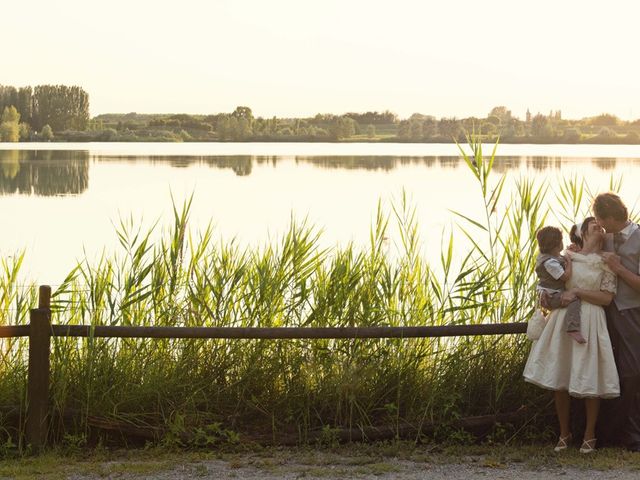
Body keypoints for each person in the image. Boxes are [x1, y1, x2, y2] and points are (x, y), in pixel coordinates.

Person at [523, 217, 620, 453]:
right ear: (583, 234)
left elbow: (607, 298)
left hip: (592, 319)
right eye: (594, 225)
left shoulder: (606, 262)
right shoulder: (568, 257)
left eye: (601, 225)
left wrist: (577, 291)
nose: (599, 227)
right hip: (564, 318)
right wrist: (546, 297)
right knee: (560, 376)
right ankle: (564, 433)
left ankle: (589, 435)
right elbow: (552, 283)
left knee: (591, 376)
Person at [593, 192, 640, 451]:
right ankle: (605, 433)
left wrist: (619, 268)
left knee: (633, 374)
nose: (600, 224)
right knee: (605, 371)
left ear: (611, 217)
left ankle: (632, 435)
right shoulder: (605, 236)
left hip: (633, 313)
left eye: (601, 220)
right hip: (604, 313)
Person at [535, 225, 585, 343]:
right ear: (557, 244)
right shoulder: (550, 262)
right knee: (574, 299)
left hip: (552, 293)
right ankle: (572, 327)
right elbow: (565, 277)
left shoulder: (553, 257)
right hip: (552, 296)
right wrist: (569, 262)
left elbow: (561, 258)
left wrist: (571, 252)